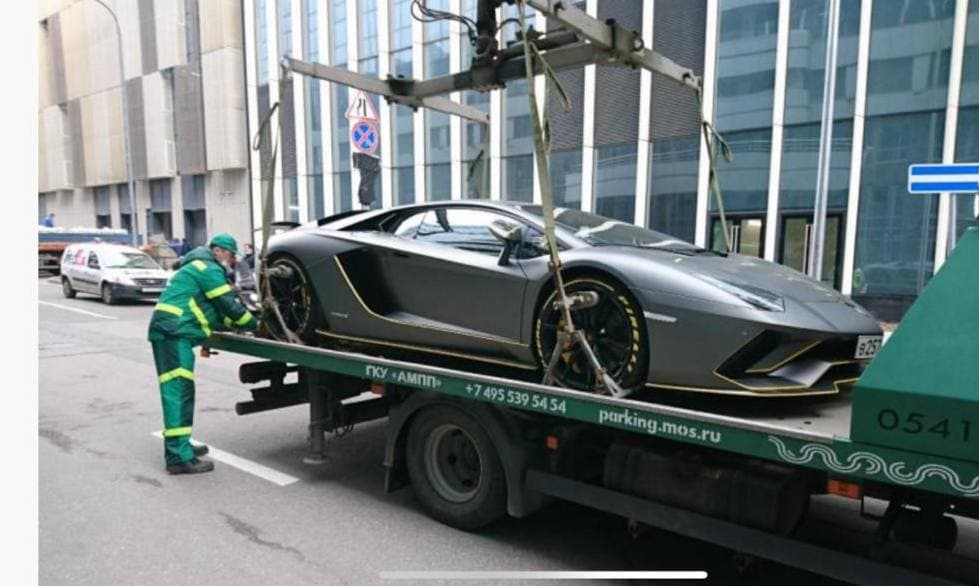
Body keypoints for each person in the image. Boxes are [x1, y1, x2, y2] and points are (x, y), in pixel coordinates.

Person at [147, 233, 259, 474]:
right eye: (231, 255)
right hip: (174, 333)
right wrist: (256, 324)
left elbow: (214, 312)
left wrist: (238, 324)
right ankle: (177, 457)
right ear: (218, 251)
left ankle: (182, 446)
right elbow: (227, 304)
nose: (232, 260)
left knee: (182, 391)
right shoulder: (207, 268)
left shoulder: (195, 266)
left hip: (172, 332)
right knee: (178, 392)